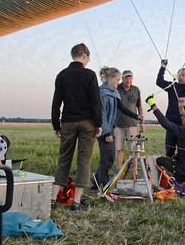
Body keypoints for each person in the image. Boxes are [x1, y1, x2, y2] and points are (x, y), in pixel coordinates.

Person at [51, 43, 102, 210]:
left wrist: (55, 125)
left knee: (64, 158)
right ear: (85, 56)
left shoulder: (62, 75)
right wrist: (99, 123)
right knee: (84, 160)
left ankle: (53, 198)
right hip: (87, 122)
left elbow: (56, 102)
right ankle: (76, 201)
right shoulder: (90, 75)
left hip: (68, 121)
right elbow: (95, 102)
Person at [94, 67, 143, 188]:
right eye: (117, 79)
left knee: (107, 157)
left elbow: (121, 107)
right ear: (110, 79)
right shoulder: (103, 93)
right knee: (108, 157)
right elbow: (102, 115)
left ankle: (97, 180)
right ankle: (103, 182)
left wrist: (137, 116)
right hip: (104, 131)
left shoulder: (114, 92)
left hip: (110, 128)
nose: (118, 82)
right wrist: (108, 133)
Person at [146, 96, 185, 192]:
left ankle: (165, 185)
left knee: (158, 160)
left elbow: (166, 123)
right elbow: (184, 121)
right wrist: (181, 107)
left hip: (184, 171)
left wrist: (153, 105)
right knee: (175, 159)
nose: (182, 116)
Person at [156, 53, 185, 157]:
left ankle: (181, 169)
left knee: (183, 150)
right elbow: (159, 82)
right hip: (171, 122)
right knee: (169, 150)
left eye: (183, 74)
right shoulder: (172, 86)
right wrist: (162, 67)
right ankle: (168, 169)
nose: (180, 76)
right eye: (179, 74)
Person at [114, 70, 145, 170]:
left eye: (130, 77)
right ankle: (119, 170)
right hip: (118, 124)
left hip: (132, 125)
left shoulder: (136, 90)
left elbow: (139, 106)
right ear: (122, 79)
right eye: (126, 77)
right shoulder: (116, 88)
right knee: (119, 149)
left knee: (133, 150)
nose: (128, 80)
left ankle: (134, 170)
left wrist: (142, 122)